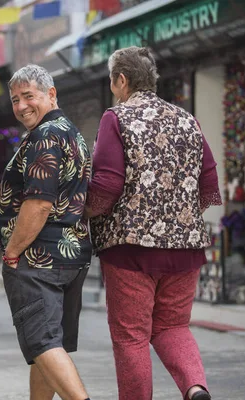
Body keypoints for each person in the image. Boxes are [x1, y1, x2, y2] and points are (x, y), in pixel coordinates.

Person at [85, 46, 222, 400]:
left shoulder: (116, 118)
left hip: (130, 250)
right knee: (173, 325)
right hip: (185, 249)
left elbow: (107, 185)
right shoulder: (185, 118)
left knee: (131, 336)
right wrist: (179, 221)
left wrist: (83, 213)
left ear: (121, 80)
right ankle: (195, 388)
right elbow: (209, 181)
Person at [0, 64, 93, 400]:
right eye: (15, 99)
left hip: (40, 259)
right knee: (47, 344)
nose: (21, 106)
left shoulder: (44, 136)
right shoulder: (71, 132)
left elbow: (38, 203)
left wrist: (12, 251)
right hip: (68, 256)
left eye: (28, 96)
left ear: (51, 94)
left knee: (42, 341)